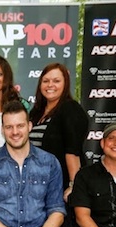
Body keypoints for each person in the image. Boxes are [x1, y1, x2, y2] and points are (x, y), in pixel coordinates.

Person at [29, 63, 88, 202]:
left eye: (56, 81)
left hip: (60, 185)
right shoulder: (36, 113)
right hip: (37, 185)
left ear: (65, 84)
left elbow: (72, 151)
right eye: (46, 81)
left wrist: (73, 185)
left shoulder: (70, 109)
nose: (50, 85)